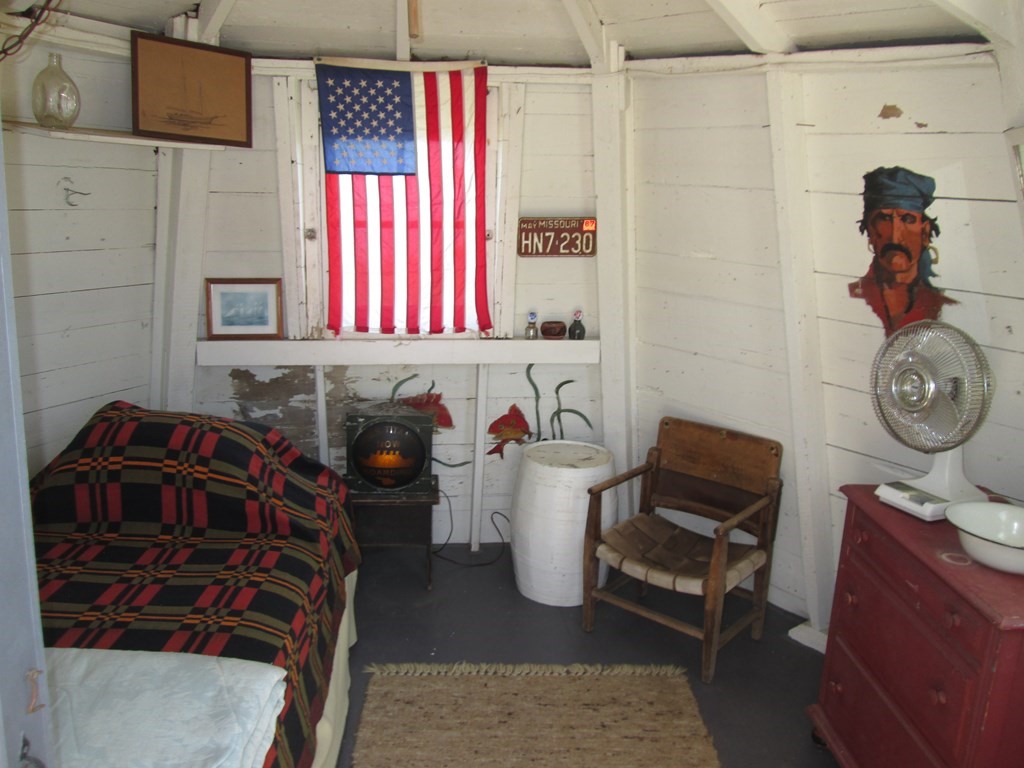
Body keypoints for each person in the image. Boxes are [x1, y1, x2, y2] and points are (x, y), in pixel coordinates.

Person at [849, 166, 957, 335]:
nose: (895, 236)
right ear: (869, 230)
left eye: (907, 219)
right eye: (884, 219)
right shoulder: (853, 299)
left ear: (925, 232)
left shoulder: (943, 306)